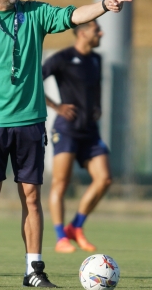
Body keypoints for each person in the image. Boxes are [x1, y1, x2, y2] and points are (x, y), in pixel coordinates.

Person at [0, 0, 131, 288]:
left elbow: (71, 15)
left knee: (31, 196)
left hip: (30, 122)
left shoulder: (34, 14)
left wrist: (103, 5)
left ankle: (34, 270)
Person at [42, 20, 112, 253]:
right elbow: (32, 80)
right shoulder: (62, 58)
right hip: (67, 129)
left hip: (90, 130)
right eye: (96, 30)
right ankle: (61, 236)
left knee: (104, 179)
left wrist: (98, 106)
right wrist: (56, 106)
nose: (101, 33)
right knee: (61, 183)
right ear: (82, 33)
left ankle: (76, 227)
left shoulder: (96, 59)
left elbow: (97, 87)